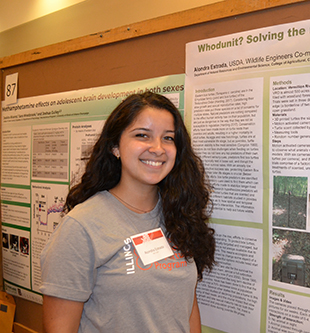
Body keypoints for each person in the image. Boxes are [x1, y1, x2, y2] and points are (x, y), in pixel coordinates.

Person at [41, 92, 216, 332]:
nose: (157, 149)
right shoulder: (81, 227)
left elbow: (187, 306)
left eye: (168, 138)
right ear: (115, 147)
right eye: (142, 135)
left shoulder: (178, 214)